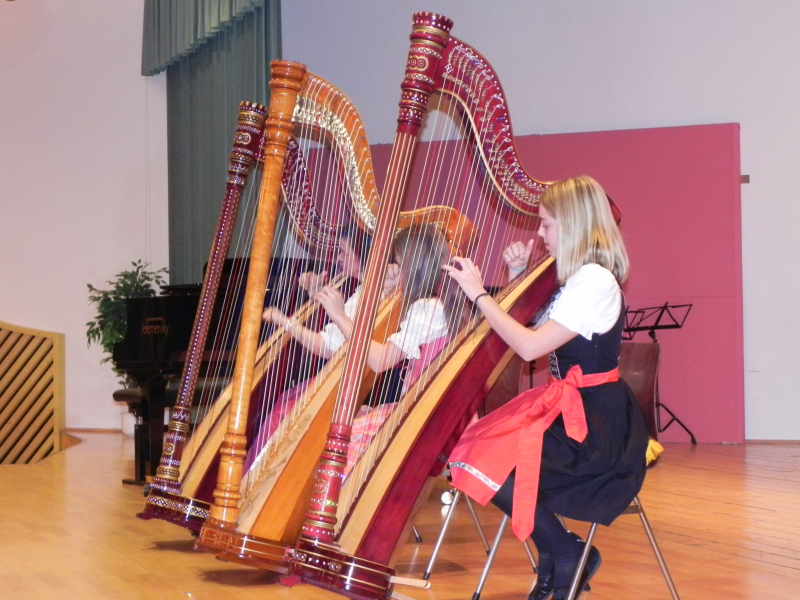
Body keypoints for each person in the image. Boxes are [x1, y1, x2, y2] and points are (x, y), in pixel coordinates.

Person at [443, 175, 649, 600]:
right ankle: (562, 551)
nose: (539, 234)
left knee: (482, 455)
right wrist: (517, 276)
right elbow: (539, 344)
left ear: (573, 225)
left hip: (594, 427)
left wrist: (480, 294)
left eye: (546, 224)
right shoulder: (576, 279)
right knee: (470, 450)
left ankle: (563, 552)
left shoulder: (594, 281)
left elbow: (528, 346)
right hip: (566, 407)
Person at [315, 223, 464, 475]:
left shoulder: (428, 309)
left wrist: (340, 316)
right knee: (348, 420)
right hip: (420, 409)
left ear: (412, 266)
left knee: (335, 447)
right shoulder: (439, 303)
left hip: (426, 420)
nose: (393, 268)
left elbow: (381, 361)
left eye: (397, 261)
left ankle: (344, 512)